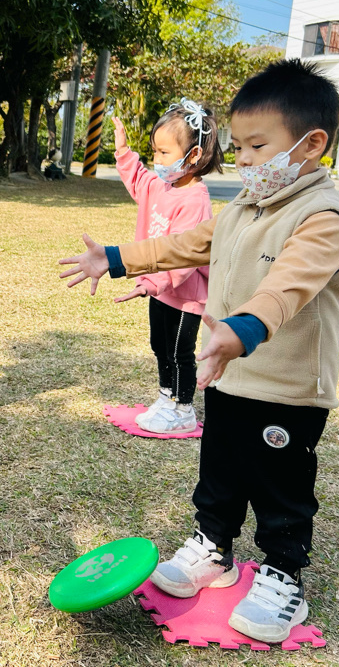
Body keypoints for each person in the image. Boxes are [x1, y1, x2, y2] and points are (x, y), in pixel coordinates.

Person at [59, 59, 339, 643]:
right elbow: (182, 244)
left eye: (257, 147)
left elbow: (288, 286)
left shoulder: (323, 219)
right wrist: (116, 258)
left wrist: (242, 329)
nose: (244, 160)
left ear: (312, 144)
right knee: (219, 469)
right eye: (239, 147)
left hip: (287, 386)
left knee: (279, 486)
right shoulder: (245, 206)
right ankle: (213, 548)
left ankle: (283, 573)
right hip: (226, 373)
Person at [111, 100, 221, 433]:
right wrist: (123, 151)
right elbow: (138, 179)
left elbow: (184, 257)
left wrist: (151, 283)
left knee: (179, 352)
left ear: (193, 155)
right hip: (158, 289)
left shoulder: (195, 199)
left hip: (186, 295)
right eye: (154, 152)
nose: (157, 160)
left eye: (164, 152)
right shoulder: (161, 187)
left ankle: (182, 408)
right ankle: (166, 397)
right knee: (160, 346)